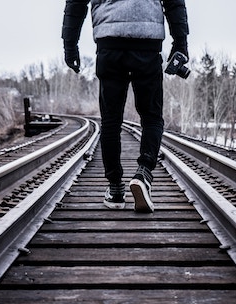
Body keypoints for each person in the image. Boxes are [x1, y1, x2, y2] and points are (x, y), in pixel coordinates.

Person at [62, 0, 189, 213]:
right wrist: (181, 43)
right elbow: (174, 2)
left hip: (109, 40)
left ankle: (115, 189)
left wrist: (70, 46)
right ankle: (144, 173)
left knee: (111, 121)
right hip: (147, 40)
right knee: (151, 117)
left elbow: (76, 2)